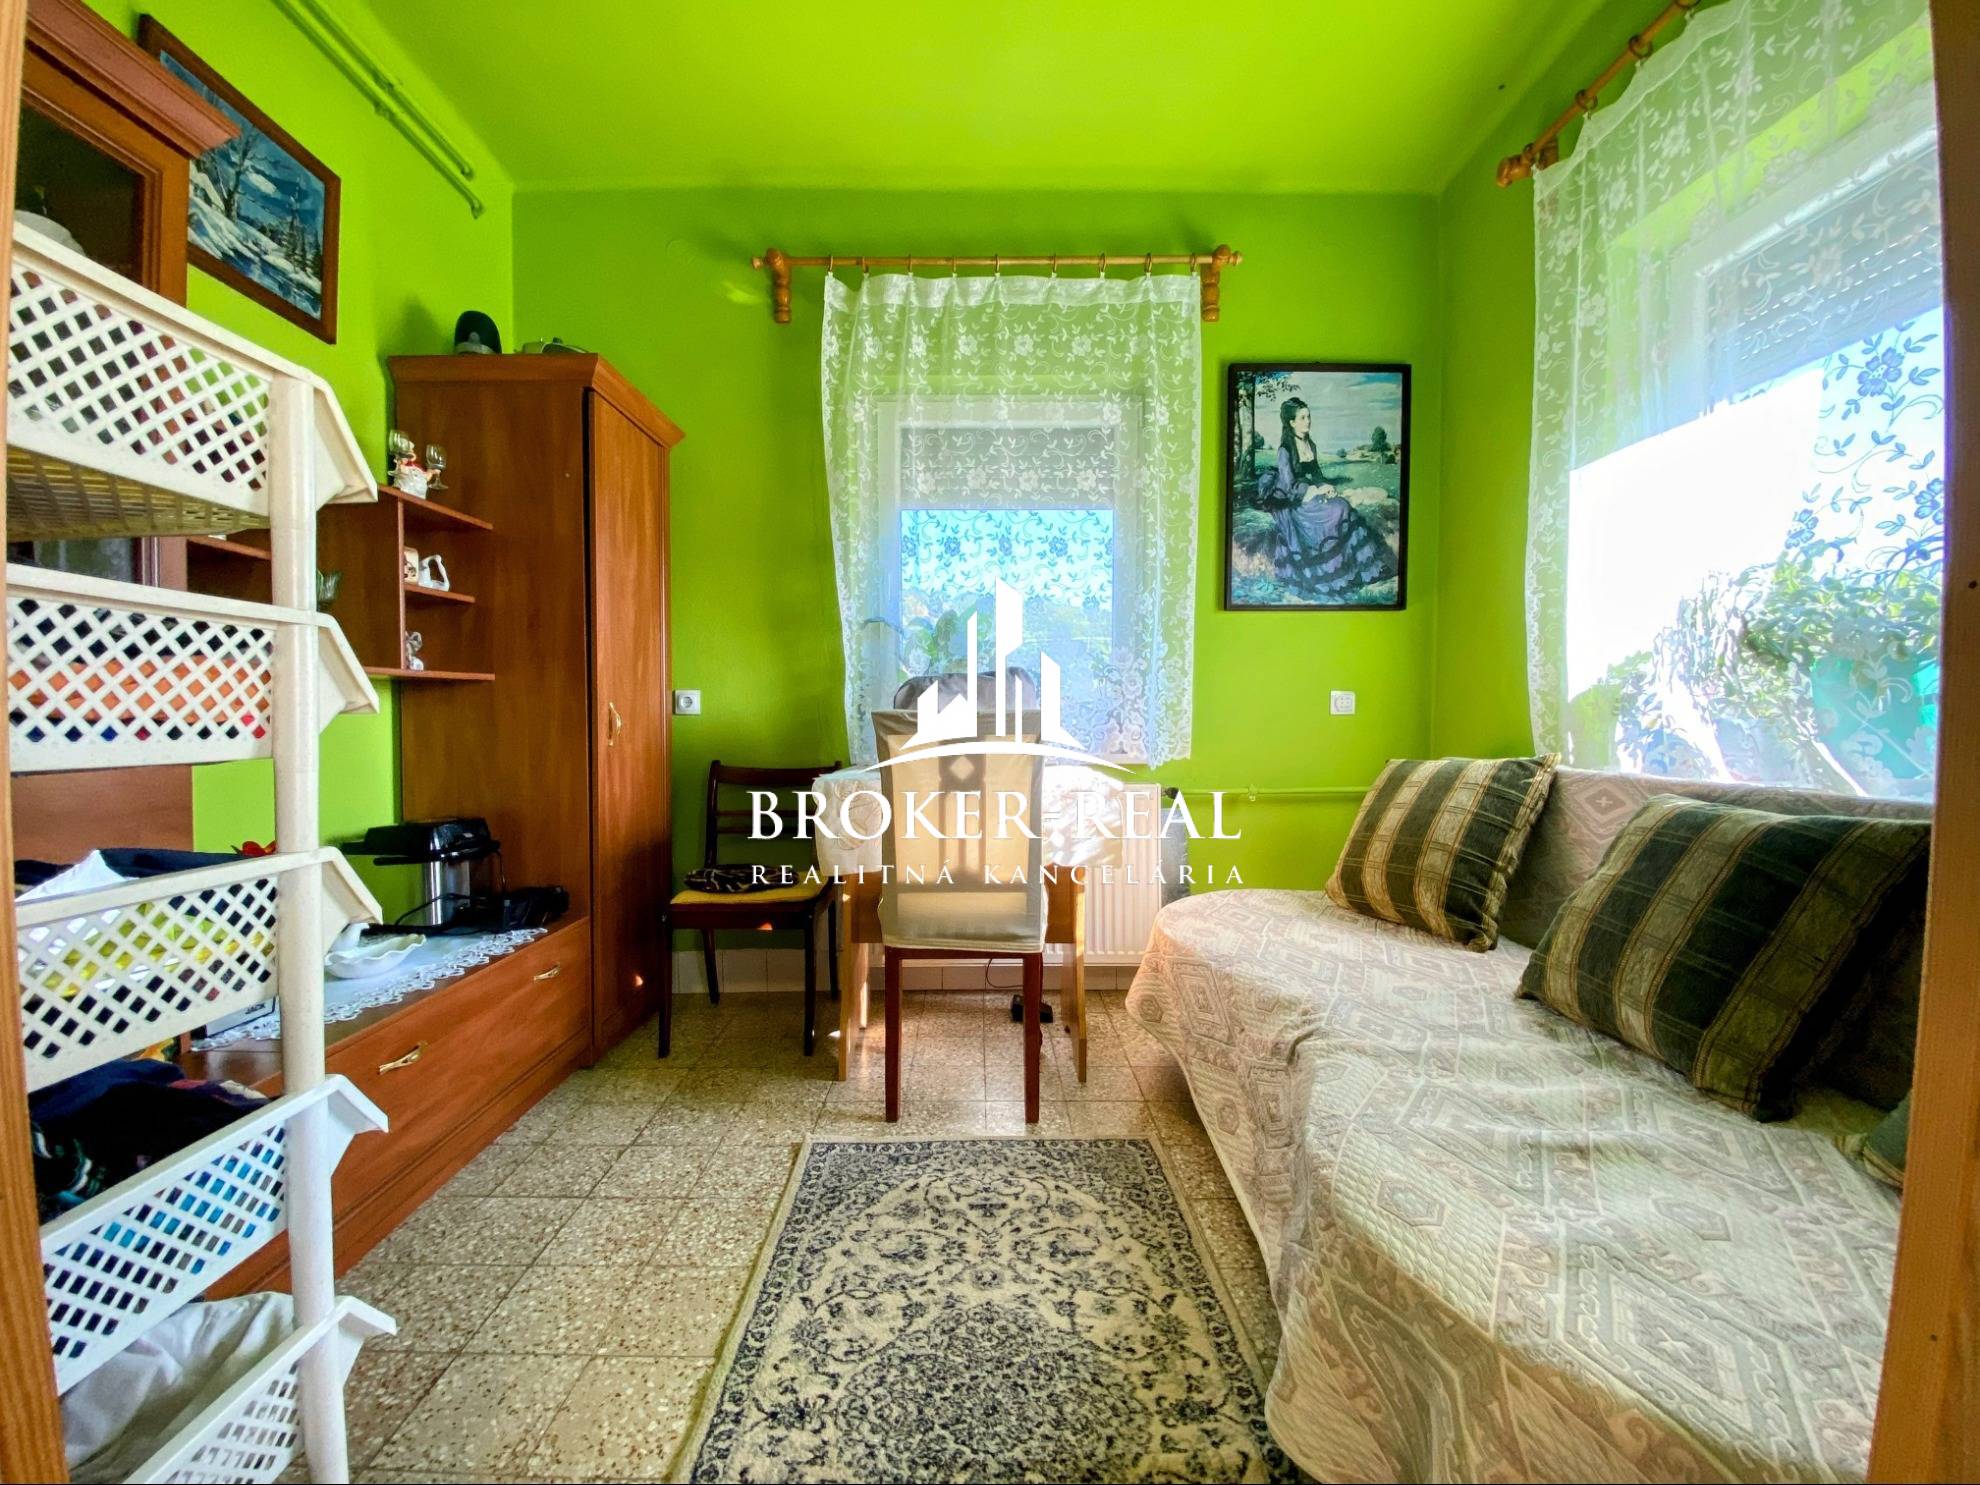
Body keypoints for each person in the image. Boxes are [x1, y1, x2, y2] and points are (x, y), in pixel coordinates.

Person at [1255, 398, 1397, 601]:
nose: (1308, 421)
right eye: (1302, 418)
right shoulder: (1285, 450)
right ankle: (1333, 574)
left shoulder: (1309, 444)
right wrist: (1314, 490)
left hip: (1310, 492)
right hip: (1294, 501)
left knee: (1343, 505)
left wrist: (1326, 487)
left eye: (1308, 416)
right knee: (1334, 512)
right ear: (1291, 422)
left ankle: (1362, 569)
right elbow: (1290, 486)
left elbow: (1317, 475)